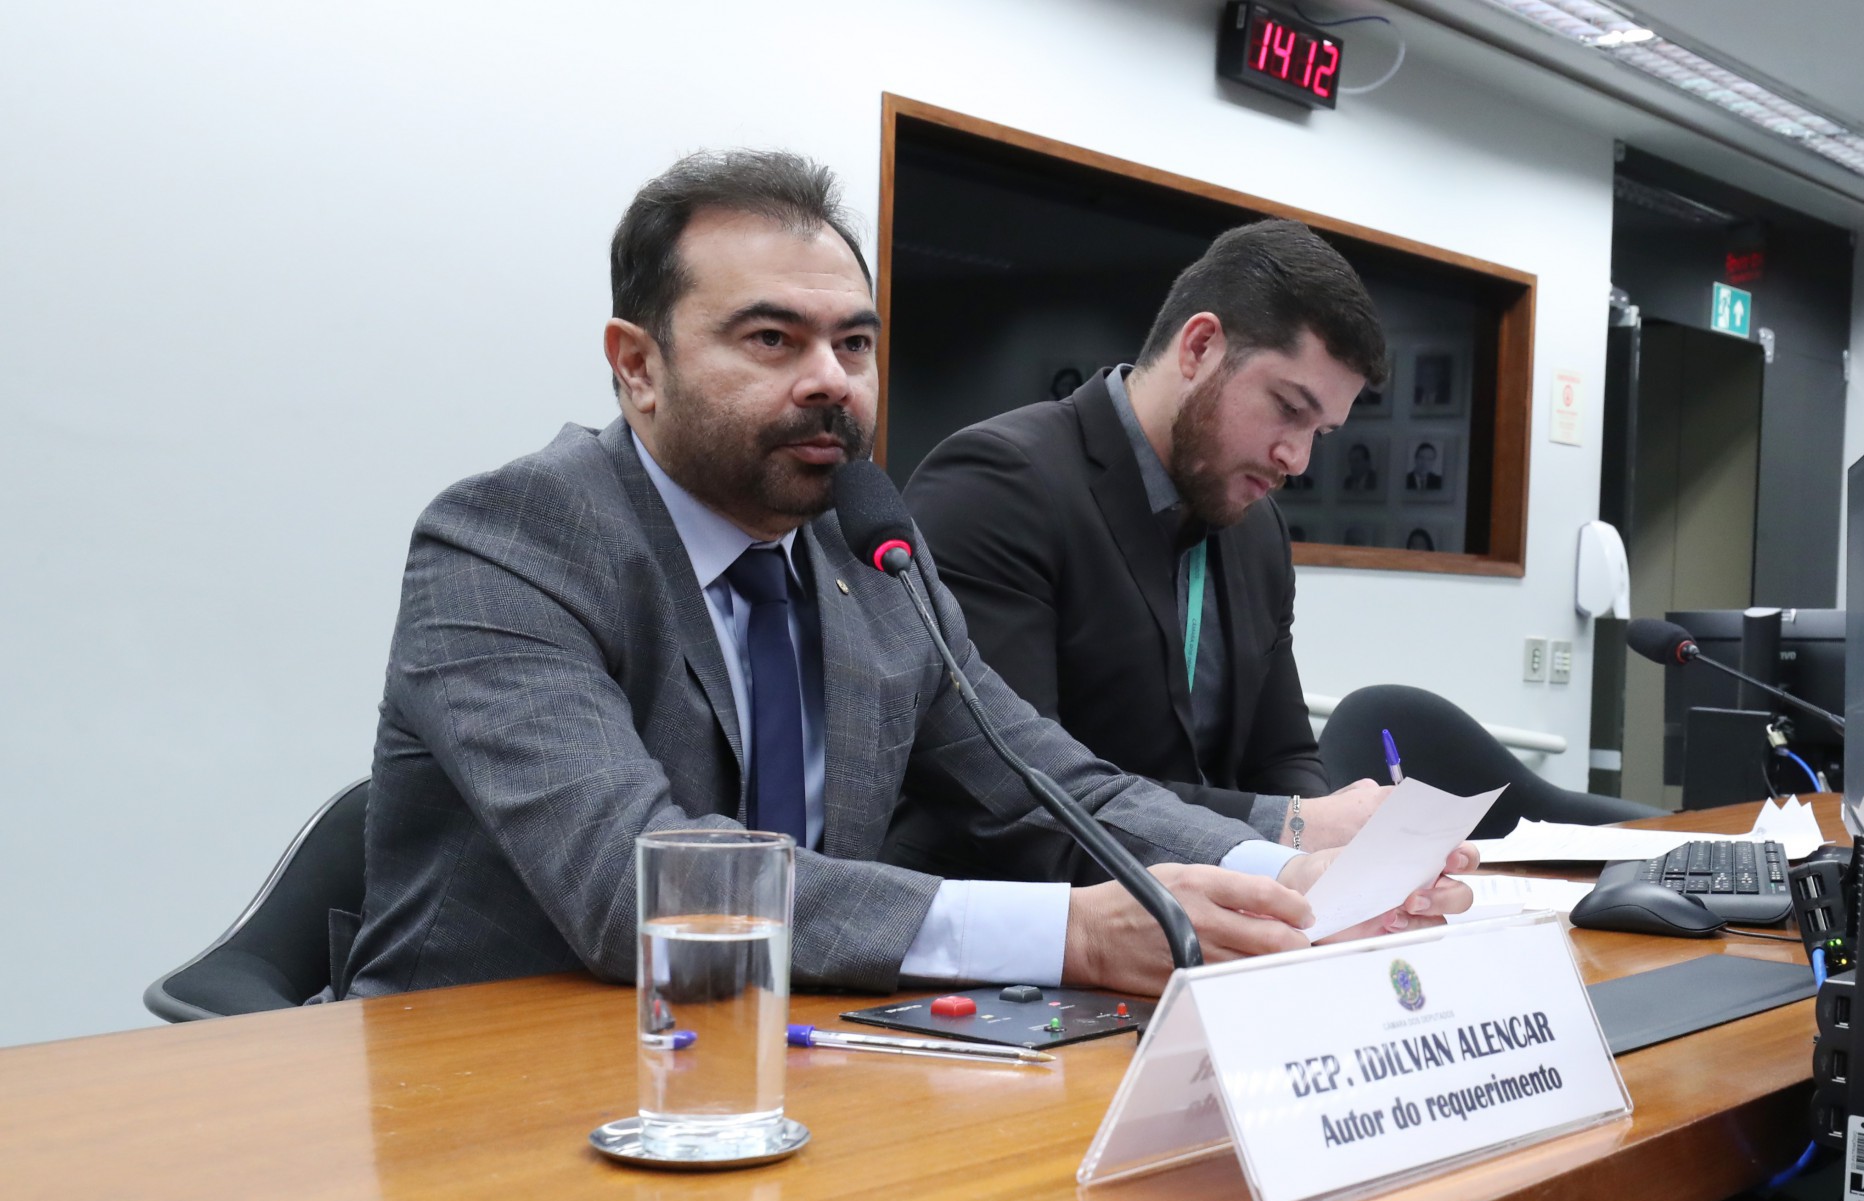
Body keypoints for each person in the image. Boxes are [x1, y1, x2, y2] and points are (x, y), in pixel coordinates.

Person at [339, 153, 1474, 1001]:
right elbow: (629, 884)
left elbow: (1050, 778)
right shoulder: (512, 537)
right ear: (639, 366)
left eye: (858, 343)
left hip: (791, 1054)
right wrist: (1071, 933)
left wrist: (1287, 878)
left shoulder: (864, 543)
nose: (832, 380)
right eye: (772, 340)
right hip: (493, 1085)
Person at [898, 218, 1405, 880]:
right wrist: (1288, 827)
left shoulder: (1258, 527)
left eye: (1322, 432)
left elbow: (1279, 753)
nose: (1297, 457)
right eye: (1287, 407)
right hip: (1028, 926)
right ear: (1198, 347)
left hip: (1215, 908)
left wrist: (1337, 839)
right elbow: (1017, 788)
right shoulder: (998, 484)